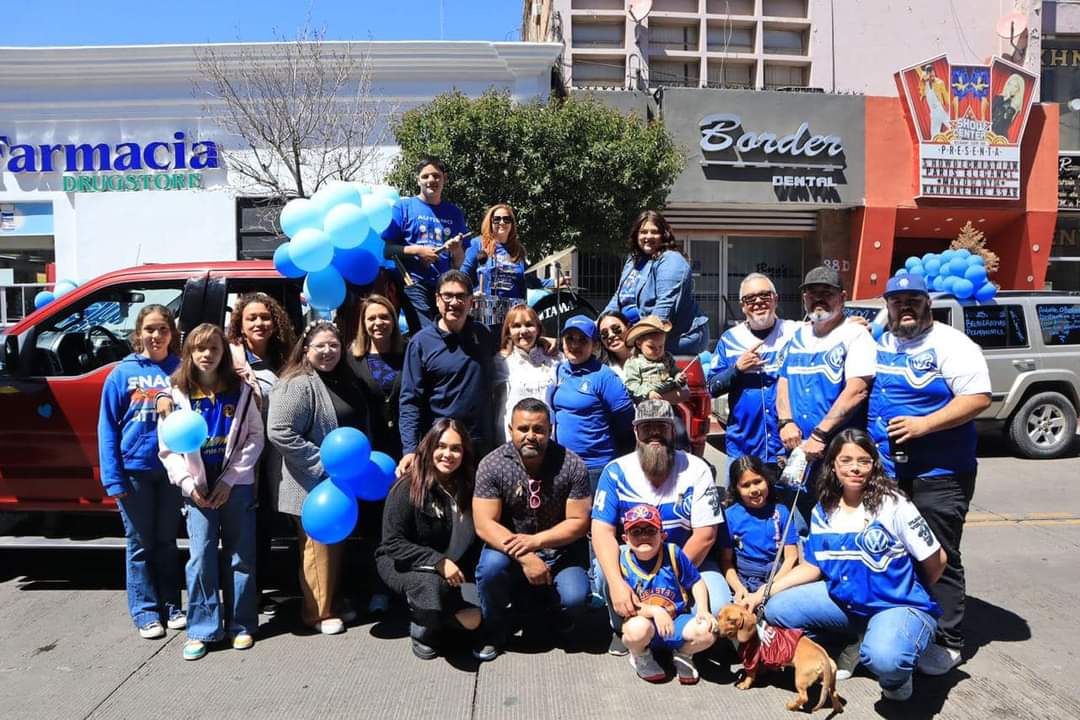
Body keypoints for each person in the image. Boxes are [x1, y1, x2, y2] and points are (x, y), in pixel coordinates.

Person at [749, 429, 947, 703]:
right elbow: (812, 567)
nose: (855, 467)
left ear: (874, 465)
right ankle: (856, 641)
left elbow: (937, 560)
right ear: (833, 465)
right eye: (846, 460)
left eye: (864, 461)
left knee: (886, 658)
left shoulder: (894, 504)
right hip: (848, 603)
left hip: (895, 604)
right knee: (777, 609)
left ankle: (898, 668)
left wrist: (911, 596)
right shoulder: (824, 509)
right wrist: (764, 592)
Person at [867, 273, 991, 677]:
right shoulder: (879, 340)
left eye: (913, 300)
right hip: (887, 471)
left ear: (927, 304)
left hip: (941, 472)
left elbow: (977, 398)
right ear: (886, 305)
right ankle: (907, 625)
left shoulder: (951, 343)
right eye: (897, 300)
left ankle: (949, 640)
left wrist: (925, 425)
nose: (905, 307)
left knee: (938, 552)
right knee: (893, 550)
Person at [591, 399, 731, 656]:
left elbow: (705, 535)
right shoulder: (615, 471)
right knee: (603, 571)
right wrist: (618, 583)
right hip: (634, 564)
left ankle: (673, 634)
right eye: (647, 428)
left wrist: (669, 581)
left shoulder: (696, 469)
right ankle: (622, 627)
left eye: (662, 427)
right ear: (635, 432)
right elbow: (601, 532)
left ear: (672, 430)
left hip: (688, 563)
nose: (654, 434)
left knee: (720, 606)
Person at [159, 323, 264, 661]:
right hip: (198, 489)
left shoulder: (243, 391)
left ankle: (242, 625)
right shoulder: (176, 393)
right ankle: (202, 629)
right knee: (201, 555)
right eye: (199, 348)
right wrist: (189, 486)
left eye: (214, 349)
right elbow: (168, 448)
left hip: (235, 485)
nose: (207, 355)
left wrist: (231, 479)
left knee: (240, 555)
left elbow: (254, 439)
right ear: (188, 352)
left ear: (224, 353)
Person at [472, 398, 592, 661]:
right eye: (523, 429)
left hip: (560, 552)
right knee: (490, 569)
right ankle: (493, 629)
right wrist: (526, 556)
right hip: (509, 551)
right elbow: (484, 523)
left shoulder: (571, 465)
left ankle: (560, 621)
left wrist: (536, 542)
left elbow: (579, 522)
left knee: (576, 597)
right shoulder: (492, 465)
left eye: (538, 430)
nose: (530, 436)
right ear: (510, 429)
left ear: (550, 429)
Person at [268, 320, 365, 635]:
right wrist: (320, 462)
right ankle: (317, 614)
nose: (328, 351)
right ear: (305, 349)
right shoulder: (297, 382)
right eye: (320, 346)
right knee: (316, 545)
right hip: (307, 482)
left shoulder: (337, 377)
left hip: (336, 484)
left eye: (334, 345)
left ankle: (329, 603)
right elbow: (279, 430)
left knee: (333, 543)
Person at [97, 304, 184, 640]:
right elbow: (107, 428)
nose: (156, 335)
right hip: (134, 471)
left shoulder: (181, 368)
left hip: (171, 471)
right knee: (139, 543)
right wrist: (113, 477)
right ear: (138, 334)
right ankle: (145, 611)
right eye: (150, 329)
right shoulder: (122, 373)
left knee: (166, 541)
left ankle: (171, 606)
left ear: (171, 334)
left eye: (163, 329)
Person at [376, 419, 482, 660]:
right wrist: (438, 561)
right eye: (441, 446)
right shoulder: (408, 485)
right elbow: (392, 542)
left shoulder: (470, 483)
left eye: (456, 448)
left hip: (457, 567)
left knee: (475, 619)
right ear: (429, 447)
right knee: (432, 587)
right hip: (406, 564)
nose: (448, 454)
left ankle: (438, 617)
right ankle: (423, 628)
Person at [226, 292, 296, 617]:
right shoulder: (231, 359)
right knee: (243, 526)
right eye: (251, 318)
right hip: (243, 457)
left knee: (265, 523)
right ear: (239, 324)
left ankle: (258, 590)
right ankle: (242, 598)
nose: (259, 323)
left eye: (265, 317)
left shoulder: (286, 357)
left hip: (276, 457)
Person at [398, 270, 497, 476]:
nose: (454, 302)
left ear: (471, 301)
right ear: (437, 300)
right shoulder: (421, 343)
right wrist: (409, 449)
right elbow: (410, 401)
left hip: (481, 445)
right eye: (447, 296)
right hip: (442, 448)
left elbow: (512, 350)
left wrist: (544, 341)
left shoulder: (483, 335)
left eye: (461, 296)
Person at [777, 266, 876, 462]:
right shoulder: (797, 336)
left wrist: (820, 434)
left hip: (837, 451)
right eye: (812, 293)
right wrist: (785, 422)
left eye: (827, 293)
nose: (818, 299)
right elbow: (783, 382)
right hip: (797, 449)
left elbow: (857, 391)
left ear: (842, 297)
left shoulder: (855, 334)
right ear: (804, 298)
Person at [346, 294, 406, 615]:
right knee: (372, 524)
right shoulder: (351, 358)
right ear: (363, 323)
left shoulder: (407, 352)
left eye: (384, 317)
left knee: (402, 518)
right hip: (367, 452)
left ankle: (405, 585)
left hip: (402, 448)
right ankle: (378, 588)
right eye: (372, 318)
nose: (378, 323)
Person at [617, 504, 717, 685]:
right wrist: (655, 611)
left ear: (662, 535)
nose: (643, 536)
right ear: (626, 539)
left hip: (676, 621)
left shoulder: (672, 553)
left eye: (650, 530)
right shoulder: (622, 563)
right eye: (636, 532)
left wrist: (703, 609)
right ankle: (641, 655)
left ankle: (683, 654)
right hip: (646, 625)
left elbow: (696, 581)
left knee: (707, 632)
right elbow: (627, 607)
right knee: (634, 631)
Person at [707, 272, 800, 465]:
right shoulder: (730, 340)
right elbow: (711, 388)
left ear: (775, 299)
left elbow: (827, 330)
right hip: (744, 446)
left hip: (786, 445)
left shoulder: (796, 333)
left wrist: (850, 323)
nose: (758, 302)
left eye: (765, 295)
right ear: (742, 306)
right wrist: (737, 368)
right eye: (750, 298)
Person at [603, 210, 710, 355]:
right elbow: (618, 298)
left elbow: (664, 307)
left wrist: (641, 343)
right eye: (643, 232)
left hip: (675, 338)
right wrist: (598, 325)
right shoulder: (633, 261)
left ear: (664, 235)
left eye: (654, 232)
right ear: (636, 235)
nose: (648, 236)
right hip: (635, 336)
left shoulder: (671, 260)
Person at [548, 315, 635, 490]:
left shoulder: (605, 376)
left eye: (583, 340)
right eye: (570, 338)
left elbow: (626, 420)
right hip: (562, 465)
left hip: (596, 469)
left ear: (595, 345)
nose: (575, 345)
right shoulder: (558, 370)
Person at [381, 156, 468, 332]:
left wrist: (457, 249)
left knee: (447, 331)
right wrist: (418, 250)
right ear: (418, 179)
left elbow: (458, 262)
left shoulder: (455, 213)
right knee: (427, 332)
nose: (431, 180)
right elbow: (388, 250)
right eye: (426, 176)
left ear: (445, 178)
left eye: (436, 176)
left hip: (444, 286)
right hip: (413, 285)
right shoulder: (403, 207)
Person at [718, 456, 798, 604]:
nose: (754, 489)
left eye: (758, 482)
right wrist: (738, 588)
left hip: (778, 578)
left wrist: (770, 587)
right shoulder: (730, 516)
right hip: (745, 581)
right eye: (746, 485)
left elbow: (791, 557)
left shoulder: (782, 512)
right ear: (736, 488)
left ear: (766, 480)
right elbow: (726, 560)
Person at [492, 304, 559, 443]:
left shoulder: (555, 359)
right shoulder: (500, 362)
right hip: (513, 440)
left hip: (548, 439)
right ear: (508, 331)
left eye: (529, 325)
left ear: (538, 328)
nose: (523, 331)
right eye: (516, 326)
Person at [461, 204, 553, 301]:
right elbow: (463, 276)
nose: (502, 222)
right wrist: (471, 295)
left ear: (512, 224)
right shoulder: (478, 244)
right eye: (497, 219)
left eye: (507, 219)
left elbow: (530, 280)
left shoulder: (518, 249)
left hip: (516, 310)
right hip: (487, 309)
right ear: (490, 222)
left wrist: (555, 282)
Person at [916, 63, 951, 138]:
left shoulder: (939, 82)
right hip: (933, 111)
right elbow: (917, 69)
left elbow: (945, 95)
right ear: (926, 73)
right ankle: (933, 146)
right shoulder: (925, 82)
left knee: (950, 125)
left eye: (932, 71)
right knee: (934, 133)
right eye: (929, 72)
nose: (931, 73)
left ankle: (960, 139)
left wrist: (947, 106)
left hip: (939, 108)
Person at [597, 311, 632, 380]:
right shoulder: (601, 368)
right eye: (604, 333)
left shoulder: (649, 354)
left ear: (629, 327)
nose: (611, 335)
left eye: (616, 328)